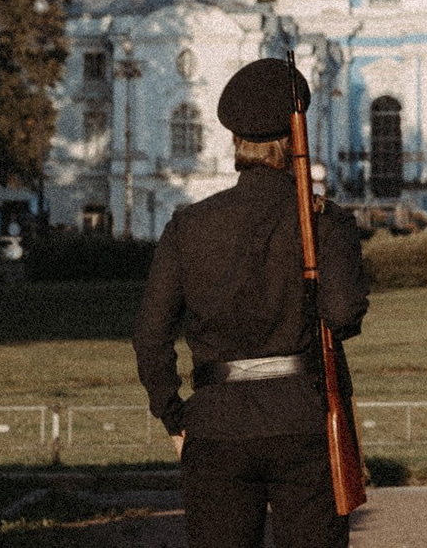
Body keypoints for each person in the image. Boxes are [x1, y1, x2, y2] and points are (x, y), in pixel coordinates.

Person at [135, 59, 369, 548]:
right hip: (303, 421)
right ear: (295, 138)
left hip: (215, 424)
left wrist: (173, 414)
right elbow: (344, 314)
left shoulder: (190, 225)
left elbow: (151, 332)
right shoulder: (326, 220)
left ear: (235, 141)